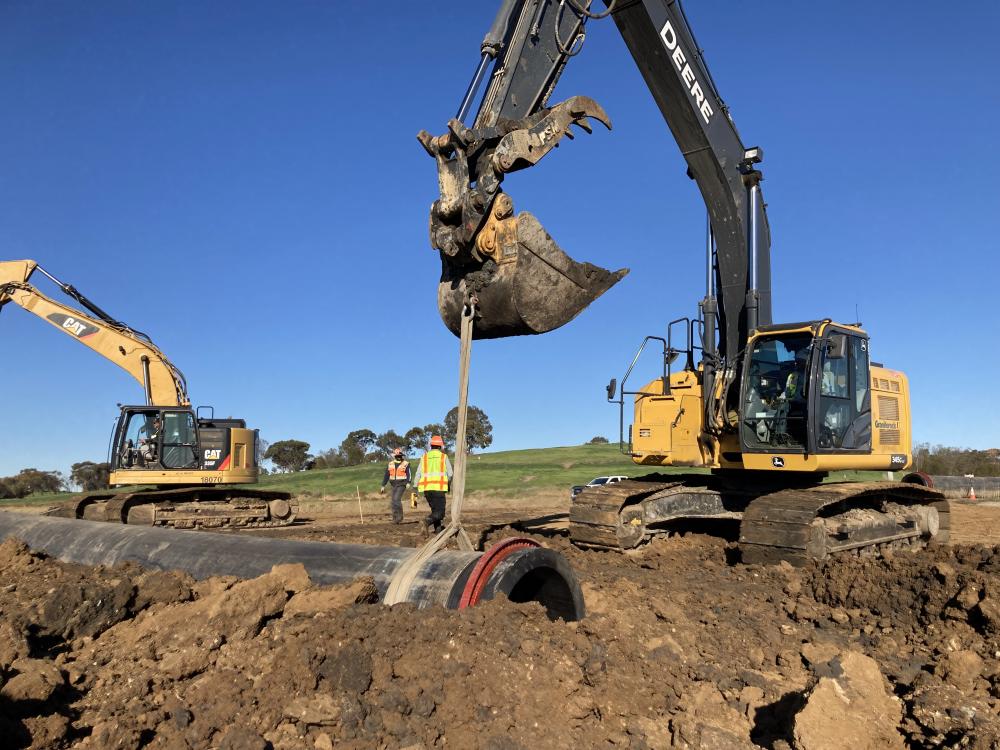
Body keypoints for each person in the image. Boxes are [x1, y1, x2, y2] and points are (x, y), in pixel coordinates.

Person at [412, 435, 453, 535]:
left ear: (431, 446)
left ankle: (438, 532)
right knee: (440, 513)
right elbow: (450, 474)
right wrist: (447, 484)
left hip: (427, 490)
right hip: (438, 489)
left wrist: (415, 487)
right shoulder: (443, 457)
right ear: (440, 446)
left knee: (435, 511)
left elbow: (418, 473)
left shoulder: (424, 457)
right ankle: (426, 521)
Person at [380, 448, 410, 524]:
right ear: (395, 456)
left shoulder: (406, 463)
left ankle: (399, 517)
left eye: (400, 455)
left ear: (402, 456)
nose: (399, 457)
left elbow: (409, 474)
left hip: (402, 484)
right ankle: (395, 518)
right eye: (397, 456)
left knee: (396, 499)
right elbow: (386, 475)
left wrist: (408, 482)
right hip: (393, 485)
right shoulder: (390, 464)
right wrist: (383, 485)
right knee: (393, 501)